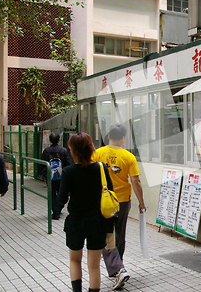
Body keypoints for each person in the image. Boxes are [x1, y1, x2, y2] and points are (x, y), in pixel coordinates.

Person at [58, 132, 114, 292]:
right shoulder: (101, 168)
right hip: (97, 222)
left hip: (76, 222)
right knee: (94, 266)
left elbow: (61, 199)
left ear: (73, 150)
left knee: (75, 261)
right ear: (91, 149)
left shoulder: (68, 172)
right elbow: (110, 191)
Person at [93, 123, 146, 290]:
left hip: (102, 201)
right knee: (119, 234)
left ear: (108, 136)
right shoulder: (128, 156)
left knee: (104, 234)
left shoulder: (97, 153)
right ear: (123, 139)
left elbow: (89, 174)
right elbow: (135, 181)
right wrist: (141, 202)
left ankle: (117, 269)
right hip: (122, 201)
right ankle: (119, 267)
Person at [39, 132, 71, 219]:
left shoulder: (46, 151)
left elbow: (42, 163)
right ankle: (59, 208)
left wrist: (40, 173)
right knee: (62, 193)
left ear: (49, 140)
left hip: (50, 176)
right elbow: (67, 163)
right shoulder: (63, 150)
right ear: (59, 140)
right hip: (61, 176)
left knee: (52, 193)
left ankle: (55, 212)